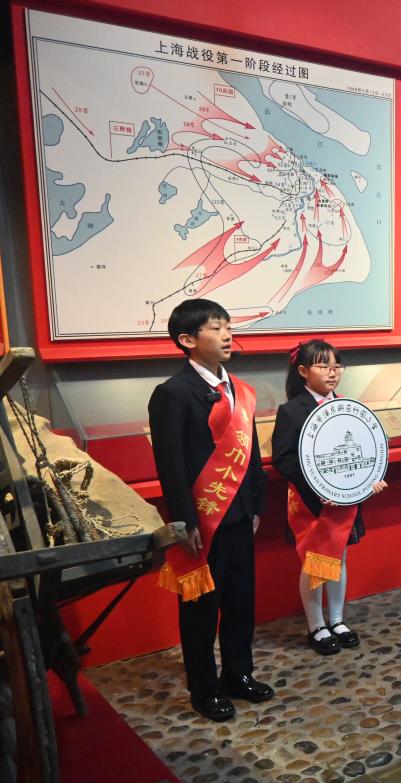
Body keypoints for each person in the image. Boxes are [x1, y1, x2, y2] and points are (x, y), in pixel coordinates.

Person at [148, 299, 270, 721]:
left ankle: (238, 675)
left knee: (240, 601)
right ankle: (203, 689)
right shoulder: (172, 394)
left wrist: (256, 504)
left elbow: (251, 455)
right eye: (215, 328)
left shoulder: (239, 389)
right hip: (203, 521)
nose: (227, 335)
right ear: (187, 340)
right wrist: (184, 520)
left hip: (240, 516)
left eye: (228, 326)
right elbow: (171, 465)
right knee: (200, 609)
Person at [272, 339, 388, 654]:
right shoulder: (291, 411)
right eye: (323, 366)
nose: (332, 372)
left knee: (340, 558)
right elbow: (284, 460)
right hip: (311, 503)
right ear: (303, 371)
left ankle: (337, 620)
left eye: (337, 366)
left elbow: (370, 449)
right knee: (314, 562)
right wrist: (320, 488)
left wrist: (371, 480)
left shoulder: (349, 408)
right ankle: (316, 625)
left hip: (345, 501)